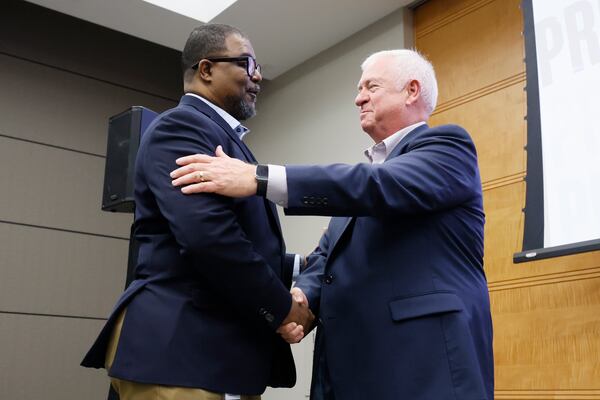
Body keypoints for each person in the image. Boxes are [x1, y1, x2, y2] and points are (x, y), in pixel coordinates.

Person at [169, 49, 494, 400]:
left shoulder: (447, 147)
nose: (358, 98)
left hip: (424, 368)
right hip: (350, 372)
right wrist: (302, 297)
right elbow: (327, 258)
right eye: (358, 88)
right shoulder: (364, 184)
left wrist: (258, 178)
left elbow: (378, 188)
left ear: (411, 91)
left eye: (371, 86)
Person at [81, 24, 313, 400]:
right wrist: (285, 308)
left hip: (215, 356)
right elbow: (210, 239)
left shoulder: (224, 138)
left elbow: (236, 238)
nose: (257, 75)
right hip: (181, 349)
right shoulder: (182, 127)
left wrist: (304, 267)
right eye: (247, 62)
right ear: (206, 70)